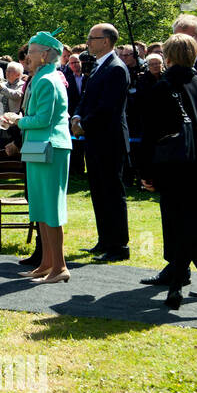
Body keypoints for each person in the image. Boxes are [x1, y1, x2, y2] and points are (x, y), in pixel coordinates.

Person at [137, 33, 197, 319]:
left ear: (167, 57)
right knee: (187, 234)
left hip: (177, 171)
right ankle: (176, 290)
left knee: (187, 236)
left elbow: (151, 136)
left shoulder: (164, 88)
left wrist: (145, 173)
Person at [0, 31, 71, 284]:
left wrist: (18, 120)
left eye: (31, 51)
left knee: (50, 208)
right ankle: (46, 263)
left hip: (50, 147)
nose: (26, 56)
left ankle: (60, 266)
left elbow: (44, 119)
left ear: (44, 55)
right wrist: (18, 121)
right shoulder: (41, 77)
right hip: (39, 146)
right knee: (40, 207)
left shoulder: (47, 80)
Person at [70, 23, 130, 262]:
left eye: (92, 38)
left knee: (112, 192)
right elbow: (85, 98)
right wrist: (76, 116)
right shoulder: (97, 66)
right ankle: (105, 240)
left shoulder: (116, 68)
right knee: (98, 191)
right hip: (95, 138)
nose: (88, 42)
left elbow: (109, 107)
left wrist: (84, 123)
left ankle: (119, 245)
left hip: (110, 140)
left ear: (105, 41)